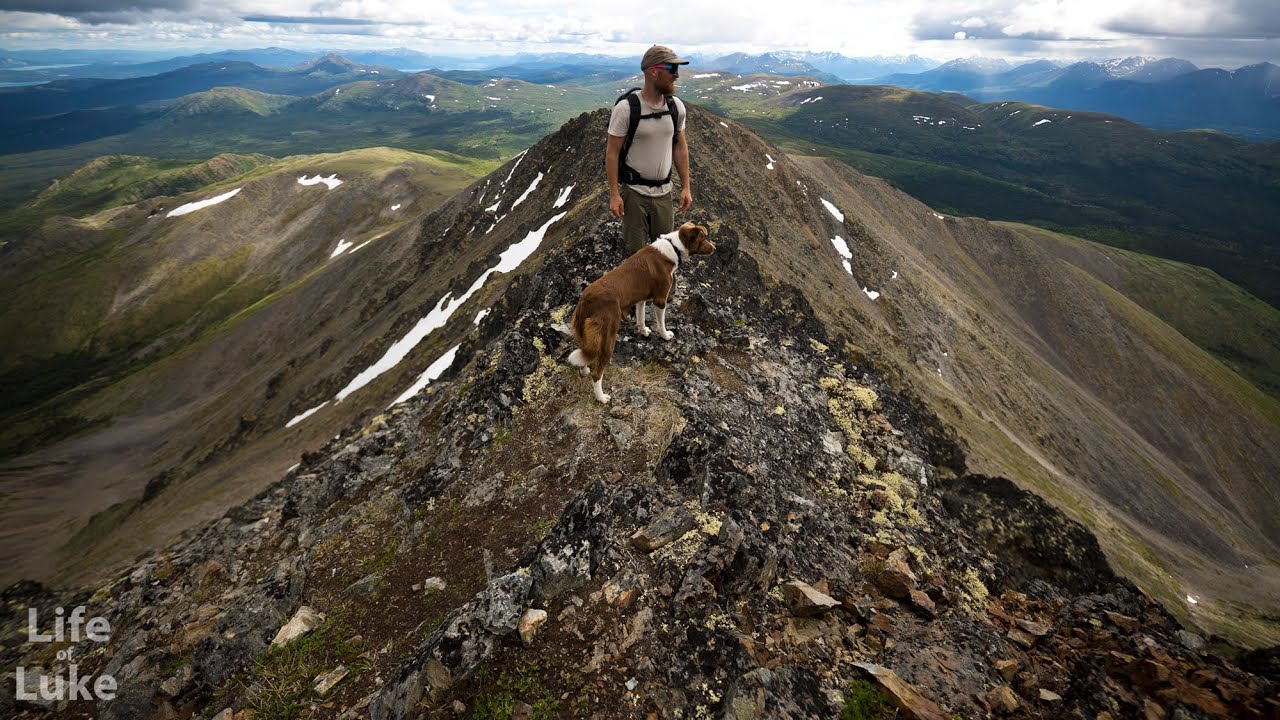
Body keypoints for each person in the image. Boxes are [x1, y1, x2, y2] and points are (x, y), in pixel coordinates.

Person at [606, 45, 694, 254]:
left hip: (664, 194)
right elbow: (612, 152)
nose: (676, 75)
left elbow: (680, 147)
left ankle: (664, 289)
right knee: (635, 258)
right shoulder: (626, 109)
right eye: (672, 69)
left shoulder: (676, 108)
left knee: (666, 256)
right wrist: (614, 194)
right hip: (634, 195)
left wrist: (685, 187)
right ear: (654, 71)